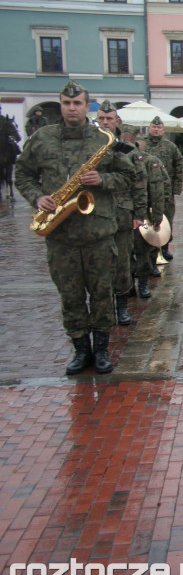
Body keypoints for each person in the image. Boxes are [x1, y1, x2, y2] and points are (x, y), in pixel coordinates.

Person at [14, 80, 135, 375]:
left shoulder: (102, 139)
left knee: (102, 293)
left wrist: (103, 181)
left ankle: (102, 350)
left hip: (98, 234)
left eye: (77, 103)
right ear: (61, 105)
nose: (72, 108)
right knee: (70, 296)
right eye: (67, 103)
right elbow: (23, 174)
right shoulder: (41, 139)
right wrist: (37, 197)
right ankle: (81, 349)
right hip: (60, 235)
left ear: (86, 105)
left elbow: (129, 175)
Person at [96, 101, 147, 325]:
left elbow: (139, 182)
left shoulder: (128, 149)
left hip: (122, 214)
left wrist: (140, 213)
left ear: (118, 121)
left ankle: (122, 305)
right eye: (101, 119)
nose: (105, 122)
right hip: (95, 215)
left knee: (122, 262)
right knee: (98, 264)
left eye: (109, 119)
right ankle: (102, 309)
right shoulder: (90, 146)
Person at [121, 124, 168, 300]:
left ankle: (142, 282)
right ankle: (127, 285)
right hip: (119, 214)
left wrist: (157, 216)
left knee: (141, 251)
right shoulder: (113, 157)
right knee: (123, 254)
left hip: (141, 213)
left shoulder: (147, 160)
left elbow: (156, 190)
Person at [143, 116, 183, 261]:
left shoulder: (170, 146)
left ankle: (164, 247)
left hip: (165, 191)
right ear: (149, 128)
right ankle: (147, 249)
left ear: (163, 130)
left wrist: (176, 188)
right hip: (145, 191)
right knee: (146, 219)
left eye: (159, 127)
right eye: (154, 127)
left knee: (167, 218)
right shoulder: (142, 145)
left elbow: (179, 165)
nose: (156, 129)